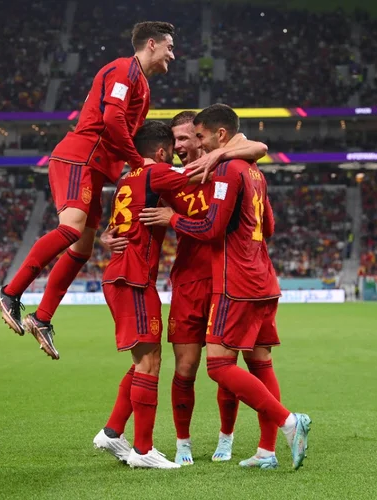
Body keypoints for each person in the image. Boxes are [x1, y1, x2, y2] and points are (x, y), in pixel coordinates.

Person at [0, 21, 176, 359]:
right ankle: (10, 292)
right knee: (70, 229)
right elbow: (111, 121)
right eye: (169, 47)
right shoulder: (124, 70)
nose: (172, 55)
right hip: (81, 156)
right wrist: (138, 162)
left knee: (82, 249)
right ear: (151, 44)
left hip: (97, 169)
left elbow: (124, 132)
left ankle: (43, 317)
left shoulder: (143, 86)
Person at [141, 104, 310, 470]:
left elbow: (216, 225)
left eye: (191, 137)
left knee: (221, 367)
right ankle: (262, 450)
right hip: (218, 279)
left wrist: (176, 219)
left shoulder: (226, 169)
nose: (182, 145)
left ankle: (269, 427)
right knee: (228, 365)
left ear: (212, 138)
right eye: (177, 140)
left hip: (231, 281)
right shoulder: (191, 173)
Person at [91, 121, 192, 469]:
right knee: (149, 362)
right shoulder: (158, 173)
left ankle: (113, 431)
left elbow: (115, 227)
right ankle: (143, 450)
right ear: (161, 152)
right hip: (132, 278)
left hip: (123, 274)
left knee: (144, 361)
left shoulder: (127, 179)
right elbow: (198, 177)